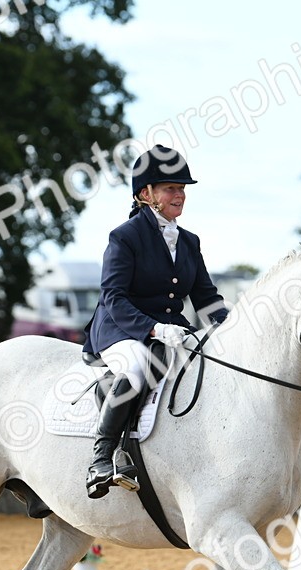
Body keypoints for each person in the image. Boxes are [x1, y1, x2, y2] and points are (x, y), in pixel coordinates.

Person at [81, 145, 229, 499]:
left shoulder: (189, 241)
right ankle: (102, 457)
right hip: (122, 329)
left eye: (182, 189)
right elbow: (113, 297)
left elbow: (206, 299)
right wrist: (154, 328)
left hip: (173, 332)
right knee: (138, 365)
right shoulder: (125, 236)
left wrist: (230, 331)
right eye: (170, 188)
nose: (179, 195)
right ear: (146, 194)